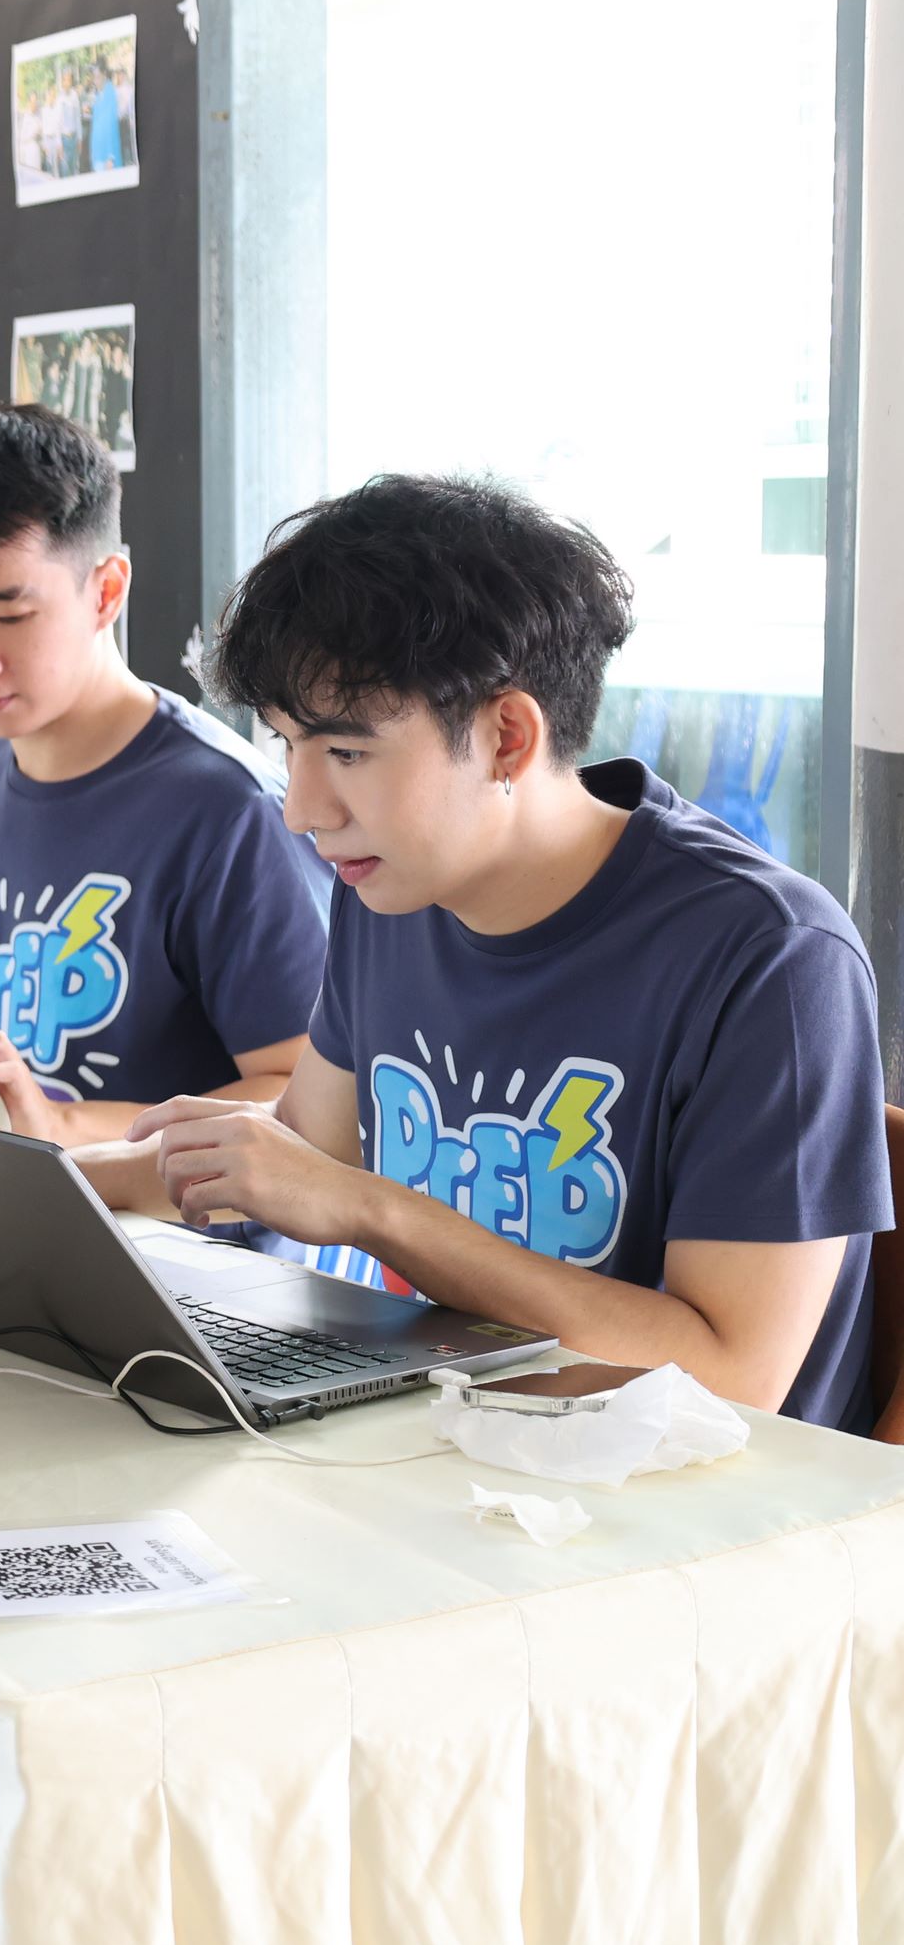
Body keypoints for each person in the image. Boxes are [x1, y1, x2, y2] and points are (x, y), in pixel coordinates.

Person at [77, 475, 890, 1431]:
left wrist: (373, 1210)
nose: (301, 811)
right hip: (453, 1447)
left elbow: (730, 1376)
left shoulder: (773, 959)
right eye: (288, 746)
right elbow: (300, 1155)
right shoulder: (389, 889)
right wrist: (12, 1188)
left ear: (507, 737)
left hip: (679, 1498)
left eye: (346, 754)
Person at [0, 402, 327, 1146]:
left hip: (158, 1222)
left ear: (106, 592)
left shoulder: (230, 810)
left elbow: (308, 1099)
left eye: (11, 616)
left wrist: (60, 1125)